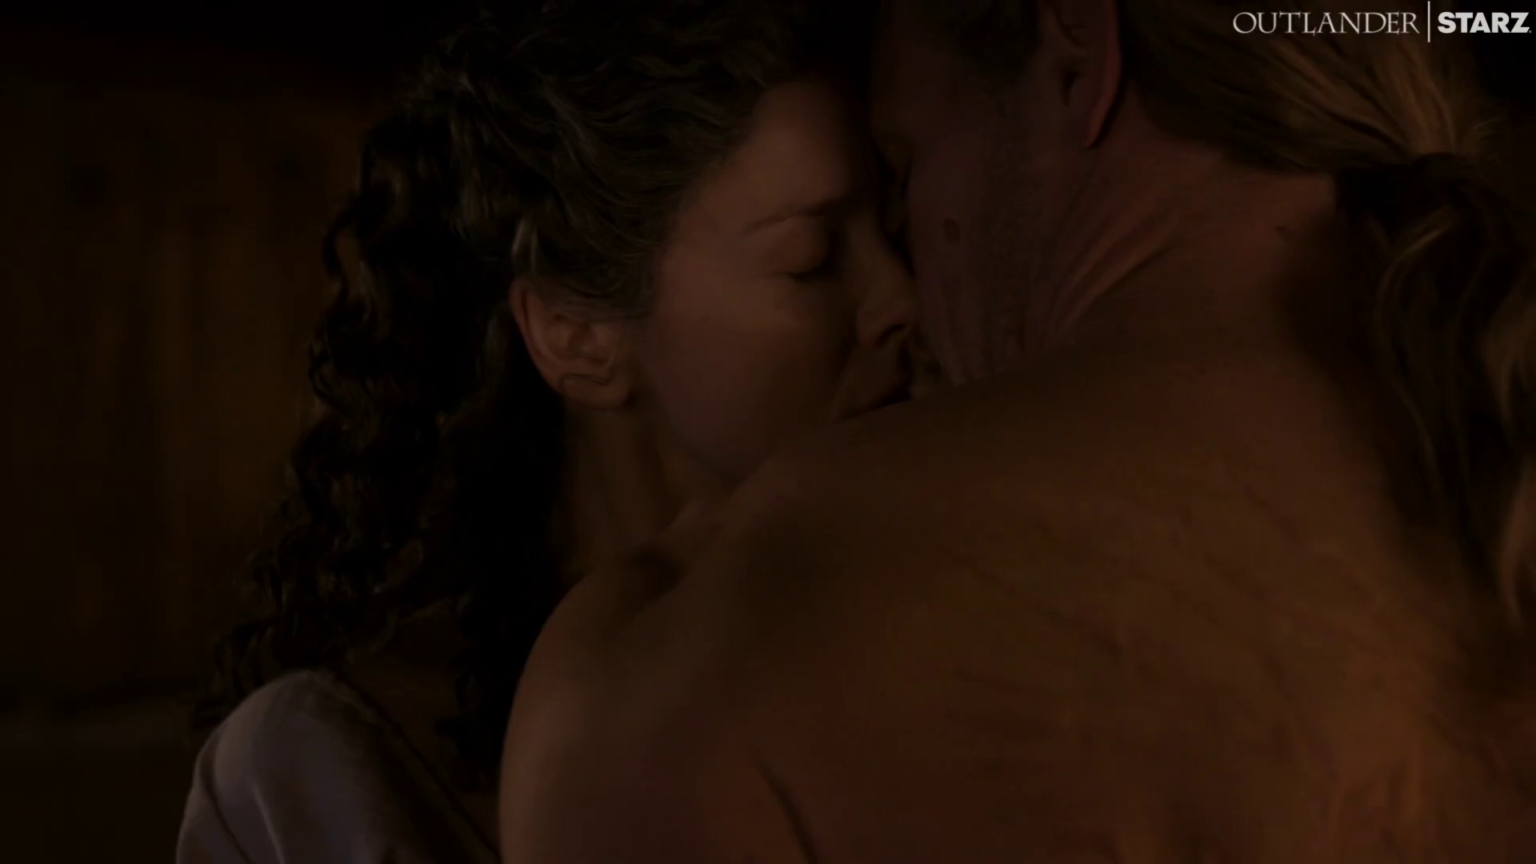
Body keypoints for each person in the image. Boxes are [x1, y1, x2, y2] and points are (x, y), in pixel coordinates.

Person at [498, 0, 1536, 860]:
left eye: (907, 166)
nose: (911, 285)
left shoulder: (700, 656)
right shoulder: (1487, 429)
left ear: (1079, 53)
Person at [175, 2, 916, 861]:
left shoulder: (916, 652)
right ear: (575, 332)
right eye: (812, 259)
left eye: (894, 232)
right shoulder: (327, 776)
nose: (900, 298)